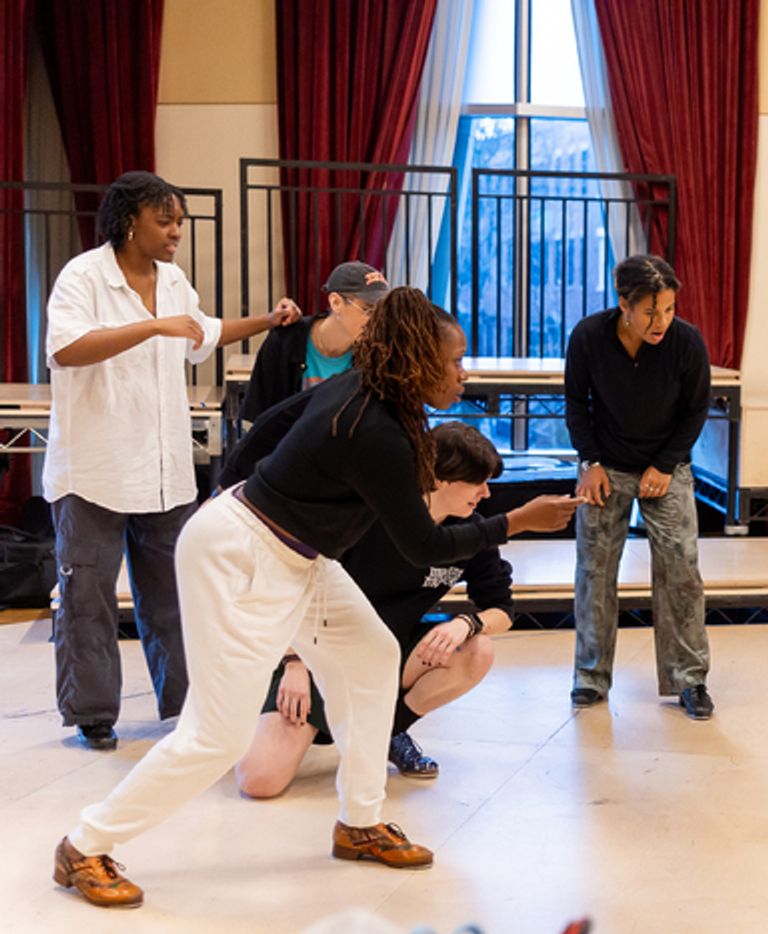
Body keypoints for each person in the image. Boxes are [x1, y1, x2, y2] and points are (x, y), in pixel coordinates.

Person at [52, 288, 580, 909]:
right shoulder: (373, 426)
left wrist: (230, 490)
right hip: (242, 558)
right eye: (455, 360)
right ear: (416, 357)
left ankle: (359, 822)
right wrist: (518, 520)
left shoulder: (376, 394)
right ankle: (84, 844)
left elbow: (271, 425)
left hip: (297, 554)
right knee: (216, 737)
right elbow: (422, 543)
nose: (464, 372)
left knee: (373, 657)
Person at [45, 170, 301, 752]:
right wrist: (152, 324)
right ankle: (92, 714)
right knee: (87, 598)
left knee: (175, 596)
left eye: (179, 222)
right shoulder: (83, 276)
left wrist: (267, 320)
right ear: (129, 221)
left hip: (163, 472)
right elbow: (65, 349)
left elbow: (201, 332)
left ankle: (188, 708)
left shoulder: (175, 279)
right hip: (92, 470)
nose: (175, 233)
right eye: (165, 221)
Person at [230, 420, 527, 793]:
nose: (486, 493)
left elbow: (502, 609)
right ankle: (264, 714)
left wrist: (465, 624)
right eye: (477, 482)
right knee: (259, 782)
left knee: (476, 650)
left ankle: (384, 732)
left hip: (386, 656)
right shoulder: (367, 514)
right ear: (439, 479)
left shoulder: (474, 530)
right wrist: (294, 663)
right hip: (315, 655)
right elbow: (292, 586)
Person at [564, 255, 714, 719]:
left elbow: (695, 411)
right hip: (605, 465)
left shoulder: (686, 342)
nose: (661, 321)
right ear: (623, 302)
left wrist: (666, 465)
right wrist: (590, 461)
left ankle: (689, 679)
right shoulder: (589, 336)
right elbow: (575, 401)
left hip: (665, 467)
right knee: (595, 568)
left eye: (669, 310)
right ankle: (590, 676)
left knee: (681, 569)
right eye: (650, 311)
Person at [239, 260, 389, 423]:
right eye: (369, 311)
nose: (377, 321)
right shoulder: (284, 342)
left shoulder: (378, 354)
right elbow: (257, 418)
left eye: (382, 312)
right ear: (336, 303)